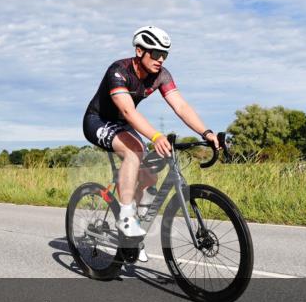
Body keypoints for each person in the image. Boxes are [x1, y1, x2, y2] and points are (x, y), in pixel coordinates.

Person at [83, 26, 219, 262]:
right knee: (134, 152)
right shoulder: (119, 71)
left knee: (148, 177)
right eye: (155, 53)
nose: (161, 59)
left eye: (165, 54)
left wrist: (206, 132)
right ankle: (125, 216)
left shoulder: (161, 75)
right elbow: (126, 110)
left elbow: (181, 106)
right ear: (139, 51)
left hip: (123, 123)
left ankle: (132, 235)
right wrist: (156, 136)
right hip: (98, 120)